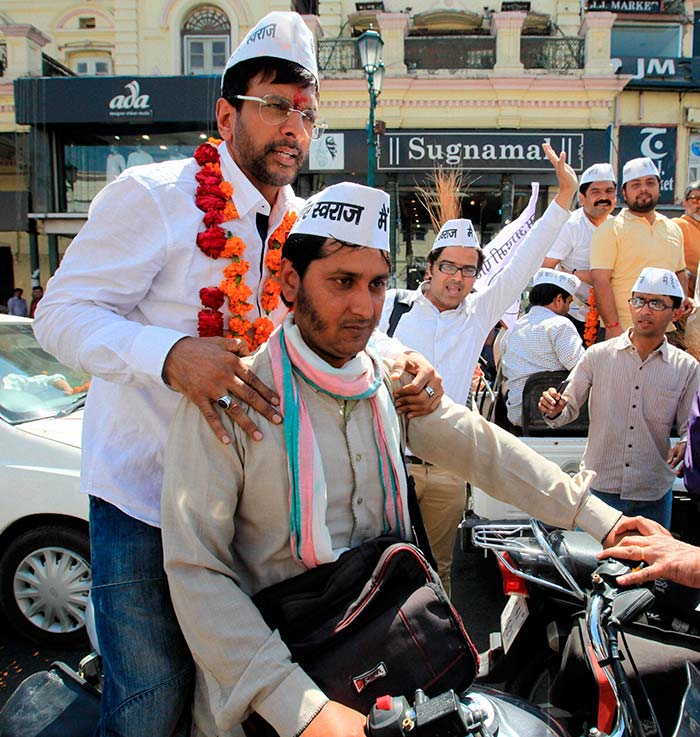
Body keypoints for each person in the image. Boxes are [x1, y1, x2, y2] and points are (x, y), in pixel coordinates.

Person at [32, 14, 438, 737]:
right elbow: (58, 314)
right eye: (276, 104)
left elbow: (332, 328)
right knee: (152, 705)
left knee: (248, 701)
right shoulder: (151, 196)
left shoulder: (306, 224)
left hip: (252, 513)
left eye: (307, 111)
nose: (294, 125)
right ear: (227, 114)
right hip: (144, 505)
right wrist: (167, 354)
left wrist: (411, 365)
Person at [162, 181, 638, 737]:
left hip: (394, 684)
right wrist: (299, 707)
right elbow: (198, 573)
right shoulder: (235, 395)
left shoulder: (388, 380)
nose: (364, 306)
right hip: (278, 706)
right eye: (342, 282)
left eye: (376, 284)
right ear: (290, 281)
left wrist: (603, 522)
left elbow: (480, 447)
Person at [375, 142, 579, 593]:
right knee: (383, 572)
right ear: (429, 267)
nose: (457, 277)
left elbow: (527, 258)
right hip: (388, 463)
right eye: (447, 265)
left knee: (439, 573)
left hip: (448, 468)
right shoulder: (390, 308)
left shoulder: (477, 314)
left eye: (468, 270)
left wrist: (564, 197)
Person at [539, 267, 700, 528]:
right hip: (598, 494)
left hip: (653, 496)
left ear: (676, 311)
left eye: (657, 303)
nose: (645, 310)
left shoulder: (686, 368)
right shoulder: (597, 356)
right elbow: (566, 407)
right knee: (594, 568)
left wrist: (684, 443)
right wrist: (553, 407)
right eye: (639, 300)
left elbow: (689, 426)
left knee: (647, 568)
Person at [590, 157, 691, 338]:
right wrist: (613, 327)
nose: (644, 189)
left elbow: (679, 273)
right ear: (624, 192)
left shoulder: (673, 228)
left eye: (650, 183)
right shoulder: (610, 229)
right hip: (624, 331)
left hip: (667, 332)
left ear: (659, 187)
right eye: (636, 184)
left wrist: (682, 300)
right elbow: (600, 281)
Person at [502, 268, 584, 427]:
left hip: (520, 420)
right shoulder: (560, 325)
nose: (568, 309)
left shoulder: (513, 329)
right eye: (569, 302)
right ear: (559, 299)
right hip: (557, 420)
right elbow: (582, 369)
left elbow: (506, 373)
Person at [542, 162, 617, 334]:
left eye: (609, 191)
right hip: (572, 314)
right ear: (582, 198)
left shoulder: (619, 226)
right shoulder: (570, 226)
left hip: (611, 314)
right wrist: (577, 275)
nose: (603, 197)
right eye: (596, 192)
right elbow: (546, 268)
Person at [673, 181, 700, 297]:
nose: (699, 204)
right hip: (686, 297)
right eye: (695, 199)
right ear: (684, 203)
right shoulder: (677, 225)